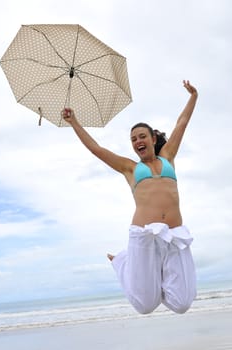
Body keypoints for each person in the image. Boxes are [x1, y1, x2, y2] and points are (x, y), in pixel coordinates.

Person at [62, 80, 198, 315]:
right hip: (144, 236)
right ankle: (124, 261)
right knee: (145, 306)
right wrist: (74, 122)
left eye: (142, 136)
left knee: (182, 304)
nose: (137, 142)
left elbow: (182, 123)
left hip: (174, 235)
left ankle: (153, 275)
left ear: (153, 139)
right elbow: (96, 149)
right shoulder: (130, 168)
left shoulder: (168, 157)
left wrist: (193, 96)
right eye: (133, 139)